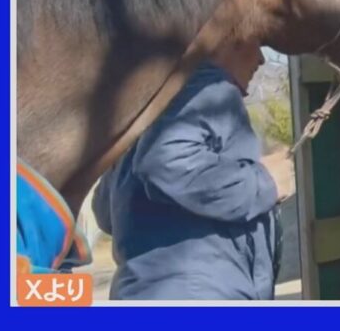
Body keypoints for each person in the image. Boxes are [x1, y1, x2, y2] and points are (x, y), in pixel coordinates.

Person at [92, 39, 296, 300]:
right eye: (257, 43)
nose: (262, 58)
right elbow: (162, 163)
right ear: (227, 39)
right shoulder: (207, 86)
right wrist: (266, 182)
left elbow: (106, 212)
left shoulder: (147, 108)